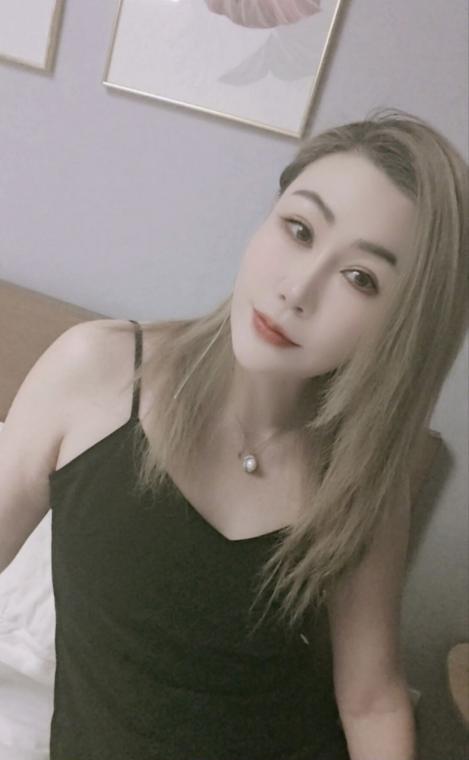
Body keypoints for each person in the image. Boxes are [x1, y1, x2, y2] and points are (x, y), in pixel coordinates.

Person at [1, 107, 467, 760]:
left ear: (400, 328)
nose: (297, 290)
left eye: (361, 278)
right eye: (299, 229)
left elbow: (372, 699)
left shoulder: (361, 477)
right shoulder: (95, 373)